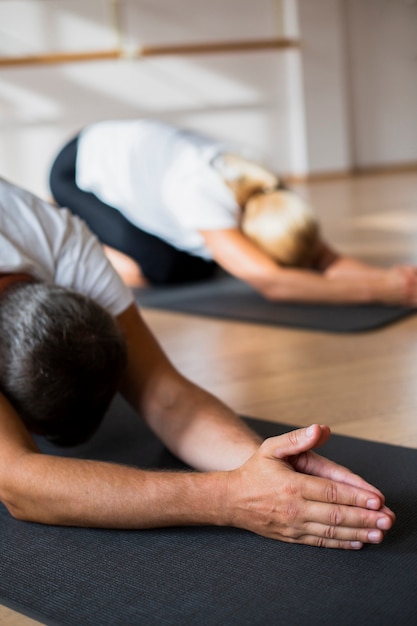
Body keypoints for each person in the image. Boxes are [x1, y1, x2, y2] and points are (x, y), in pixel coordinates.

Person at [0, 175, 395, 549]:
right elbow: (19, 484)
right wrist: (229, 498)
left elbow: (167, 396)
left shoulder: (60, 240)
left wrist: (266, 467)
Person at [49, 118, 417, 305]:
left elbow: (321, 258)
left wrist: (396, 277)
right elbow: (273, 282)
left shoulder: (268, 189)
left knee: (201, 264)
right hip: (78, 169)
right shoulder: (201, 195)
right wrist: (382, 291)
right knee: (162, 270)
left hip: (143, 163)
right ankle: (64, 227)